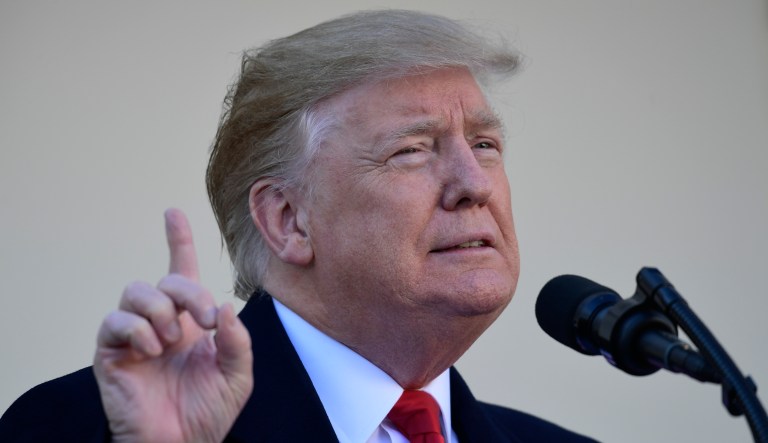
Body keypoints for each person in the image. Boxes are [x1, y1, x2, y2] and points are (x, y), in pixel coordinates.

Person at [0, 10, 597, 443]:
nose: (476, 183)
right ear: (288, 221)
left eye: (485, 143)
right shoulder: (87, 426)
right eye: (411, 151)